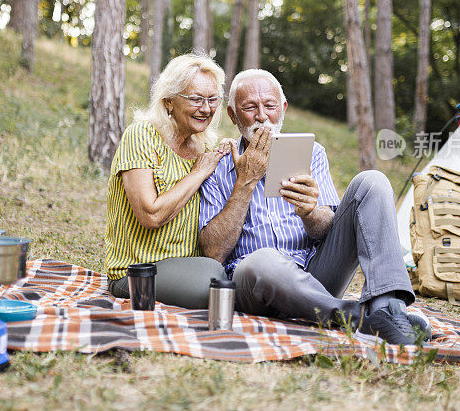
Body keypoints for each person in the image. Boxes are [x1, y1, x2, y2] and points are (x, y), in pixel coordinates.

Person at [198, 69, 428, 345]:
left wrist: (310, 212)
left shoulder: (312, 153)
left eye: (270, 106)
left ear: (282, 109)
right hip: (256, 285)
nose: (262, 116)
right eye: (250, 107)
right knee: (264, 259)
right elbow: (213, 252)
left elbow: (327, 229)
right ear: (233, 115)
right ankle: (361, 318)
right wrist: (245, 182)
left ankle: (389, 308)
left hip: (316, 276)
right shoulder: (218, 163)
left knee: (373, 181)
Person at [104, 53, 229, 309]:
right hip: (137, 271)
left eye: (212, 99)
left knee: (233, 276)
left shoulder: (206, 147)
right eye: (196, 99)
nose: (206, 109)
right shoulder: (141, 136)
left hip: (190, 265)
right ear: (169, 101)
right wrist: (197, 174)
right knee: (215, 285)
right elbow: (150, 215)